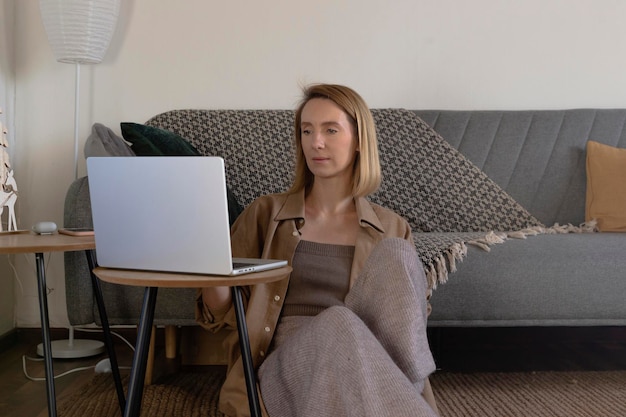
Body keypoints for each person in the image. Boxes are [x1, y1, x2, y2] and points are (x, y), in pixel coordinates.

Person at [197, 84, 438, 417]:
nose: (315, 142)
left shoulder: (392, 226)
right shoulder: (265, 214)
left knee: (395, 253)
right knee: (338, 321)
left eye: (330, 130)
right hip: (286, 366)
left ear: (359, 141)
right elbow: (220, 316)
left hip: (368, 362)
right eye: (306, 130)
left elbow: (407, 328)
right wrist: (210, 263)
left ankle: (392, 391)